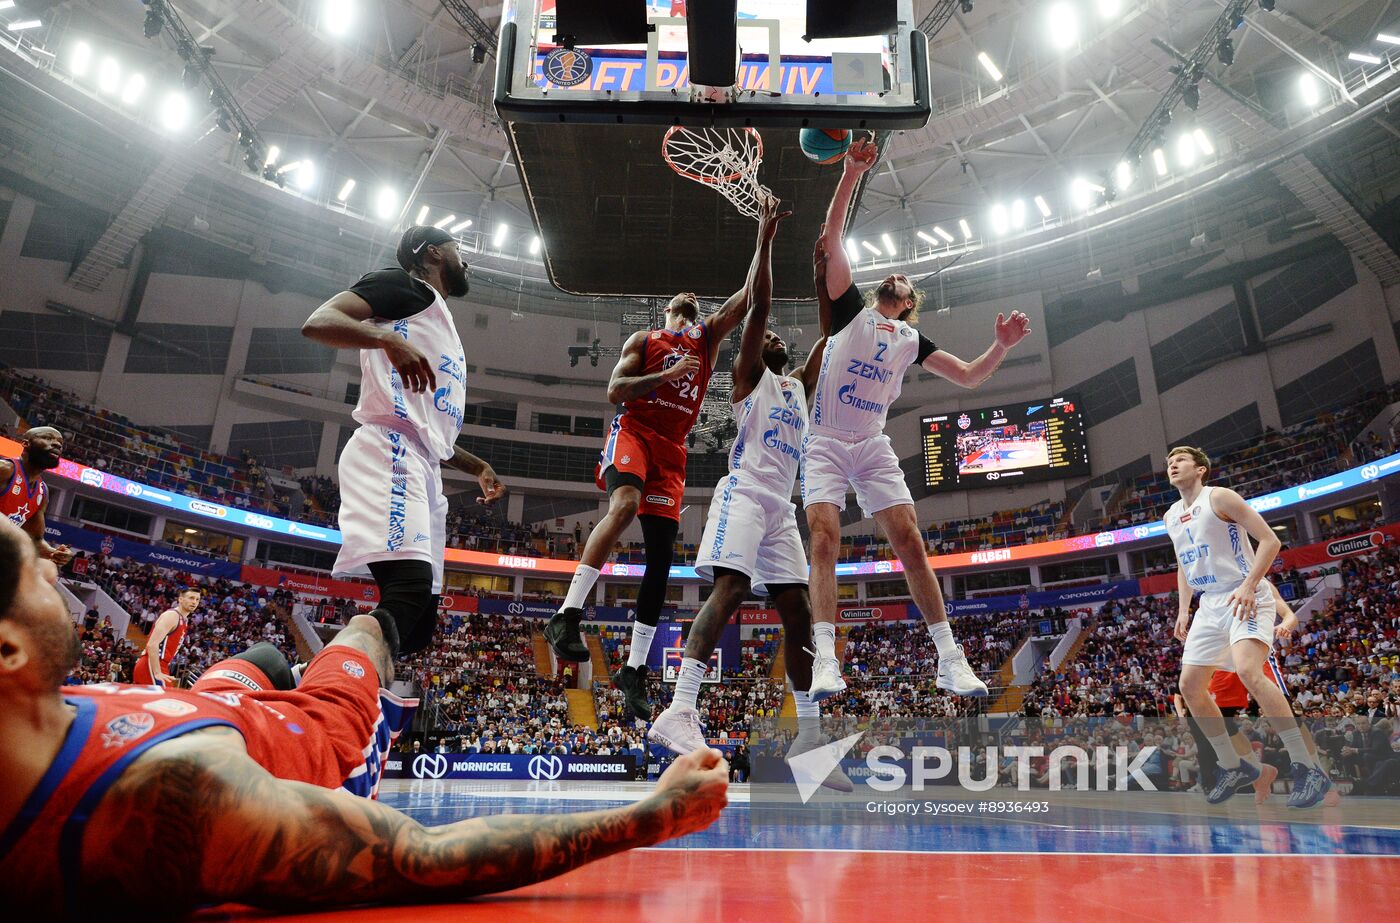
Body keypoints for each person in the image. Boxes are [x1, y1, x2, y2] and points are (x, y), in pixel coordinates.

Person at [0, 519, 729, 917]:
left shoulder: (41, 712)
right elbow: (423, 855)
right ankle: (397, 646)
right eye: (39, 571)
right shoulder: (172, 796)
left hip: (212, 706)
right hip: (307, 740)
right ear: (8, 649)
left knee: (256, 653)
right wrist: (651, 813)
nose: (59, 571)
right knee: (369, 626)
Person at [804, 136, 1031, 701]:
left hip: (872, 444)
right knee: (825, 538)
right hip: (826, 440)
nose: (897, 278)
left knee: (908, 539)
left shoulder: (911, 339)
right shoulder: (849, 309)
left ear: (909, 304)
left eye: (906, 283)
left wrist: (1000, 345)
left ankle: (949, 659)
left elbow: (971, 376)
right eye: (895, 276)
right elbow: (832, 237)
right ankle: (827, 657)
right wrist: (852, 173)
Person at [544, 212, 774, 722]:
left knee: (662, 560)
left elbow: (750, 296)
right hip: (635, 432)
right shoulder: (645, 344)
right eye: (681, 302)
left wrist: (764, 237)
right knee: (624, 504)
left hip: (673, 449)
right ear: (668, 311)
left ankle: (635, 668)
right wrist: (667, 372)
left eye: (695, 302)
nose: (690, 301)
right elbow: (613, 392)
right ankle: (568, 614)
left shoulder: (707, 339)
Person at [646, 200, 846, 789]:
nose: (778, 338)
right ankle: (680, 708)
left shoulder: (799, 389)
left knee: (798, 612)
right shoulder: (750, 379)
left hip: (780, 508)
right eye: (771, 338)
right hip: (744, 493)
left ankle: (810, 737)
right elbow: (758, 306)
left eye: (784, 337)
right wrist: (764, 237)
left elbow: (830, 335)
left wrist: (820, 274)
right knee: (731, 588)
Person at [303, 226, 504, 658]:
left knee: (418, 627)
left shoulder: (437, 318)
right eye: (457, 249)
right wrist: (385, 337)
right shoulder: (402, 285)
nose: (464, 260)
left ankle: (336, 684)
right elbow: (319, 321)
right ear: (432, 252)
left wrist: (475, 466)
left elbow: (424, 424)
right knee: (408, 590)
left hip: (422, 461)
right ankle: (317, 685)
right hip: (388, 450)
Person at [1165, 445, 1331, 807]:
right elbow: (1183, 564)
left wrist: (1248, 584)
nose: (1172, 465)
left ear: (1200, 469)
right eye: (1169, 462)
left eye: (1180, 460)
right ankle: (1233, 765)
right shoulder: (1171, 515)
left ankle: (1306, 766)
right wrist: (1183, 608)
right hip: (1209, 603)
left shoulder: (1220, 497)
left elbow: (1271, 540)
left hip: (1245, 593)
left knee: (1248, 672)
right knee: (1190, 686)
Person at [0, 425, 72, 565]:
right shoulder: (5, 469)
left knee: (48, 570)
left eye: (60, 443)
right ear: (26, 444)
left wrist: (54, 553)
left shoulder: (42, 491)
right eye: (47, 438)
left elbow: (35, 539)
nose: (57, 444)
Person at [131, 586, 200, 687]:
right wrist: (157, 672)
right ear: (180, 599)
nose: (194, 602)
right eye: (191, 598)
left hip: (160, 665)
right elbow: (152, 644)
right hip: (151, 664)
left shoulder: (184, 620)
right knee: (165, 700)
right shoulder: (171, 616)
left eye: (197, 599)